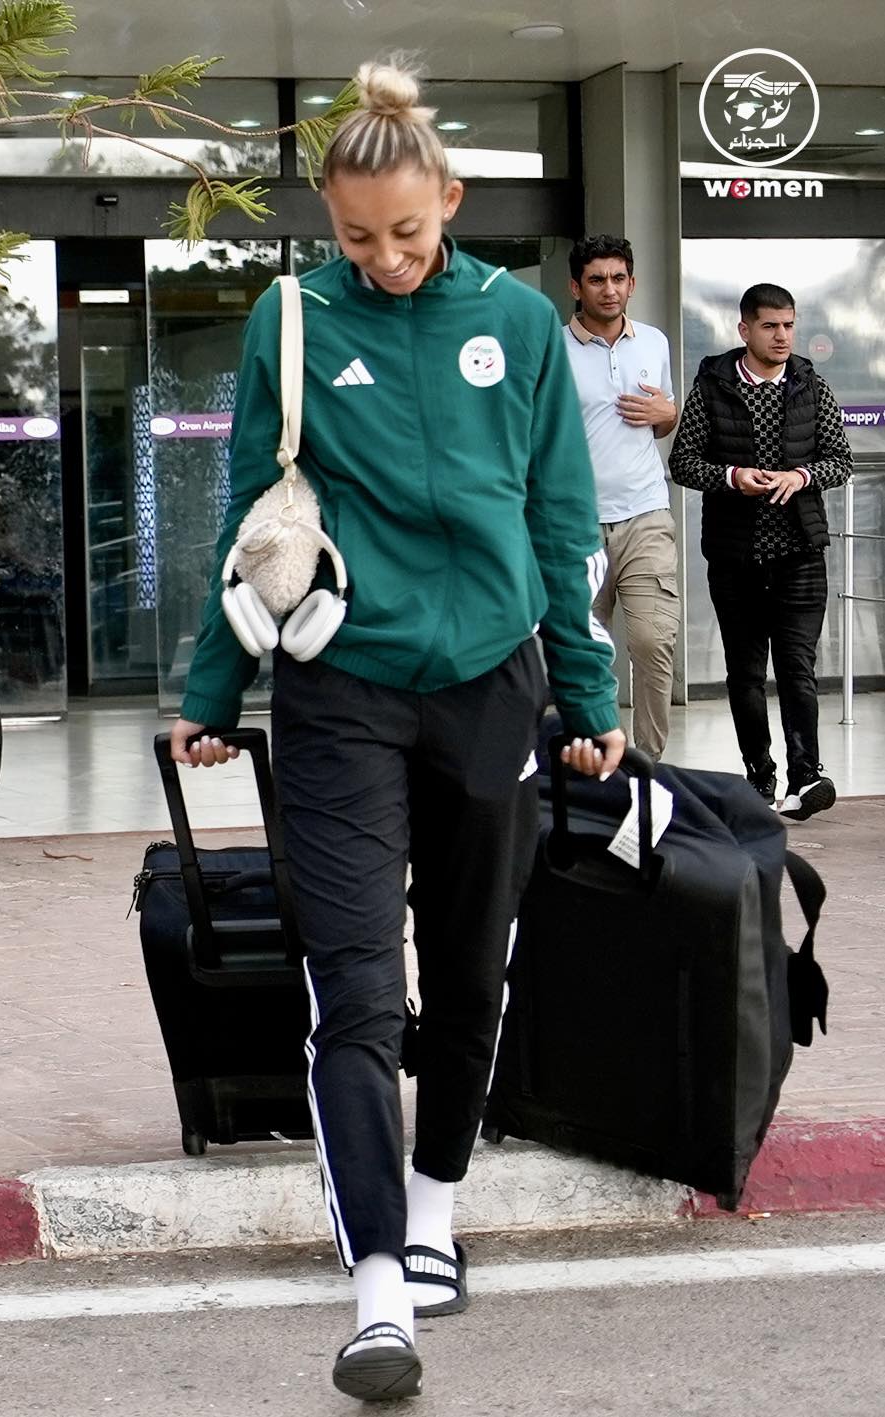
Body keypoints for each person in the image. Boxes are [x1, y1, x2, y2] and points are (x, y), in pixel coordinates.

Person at [170, 59, 625, 1403]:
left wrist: (589, 698)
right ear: (328, 218)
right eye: (358, 235)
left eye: (408, 233)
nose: (384, 257)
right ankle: (376, 1286)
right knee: (357, 985)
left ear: (452, 203)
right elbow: (253, 511)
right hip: (341, 687)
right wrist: (212, 690)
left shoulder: (520, 323)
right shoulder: (292, 318)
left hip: (492, 682)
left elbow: (560, 516)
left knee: (472, 971)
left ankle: (435, 1204)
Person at [669, 283, 852, 819]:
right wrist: (733, 477)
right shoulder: (712, 387)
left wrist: (801, 475)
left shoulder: (812, 386)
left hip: (801, 552)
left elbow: (840, 460)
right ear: (745, 329)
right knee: (745, 674)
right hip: (736, 557)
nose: (782, 336)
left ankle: (806, 776)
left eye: (789, 325)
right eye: (770, 326)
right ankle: (759, 775)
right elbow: (683, 463)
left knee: (797, 668)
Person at [564, 234, 680, 761]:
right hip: (576, 523)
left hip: (646, 515)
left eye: (618, 278)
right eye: (596, 280)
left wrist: (668, 415)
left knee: (654, 642)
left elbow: (663, 419)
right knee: (585, 650)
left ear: (632, 283)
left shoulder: (654, 342)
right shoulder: (553, 349)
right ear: (576, 287)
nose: (609, 290)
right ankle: (597, 759)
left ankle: (649, 765)